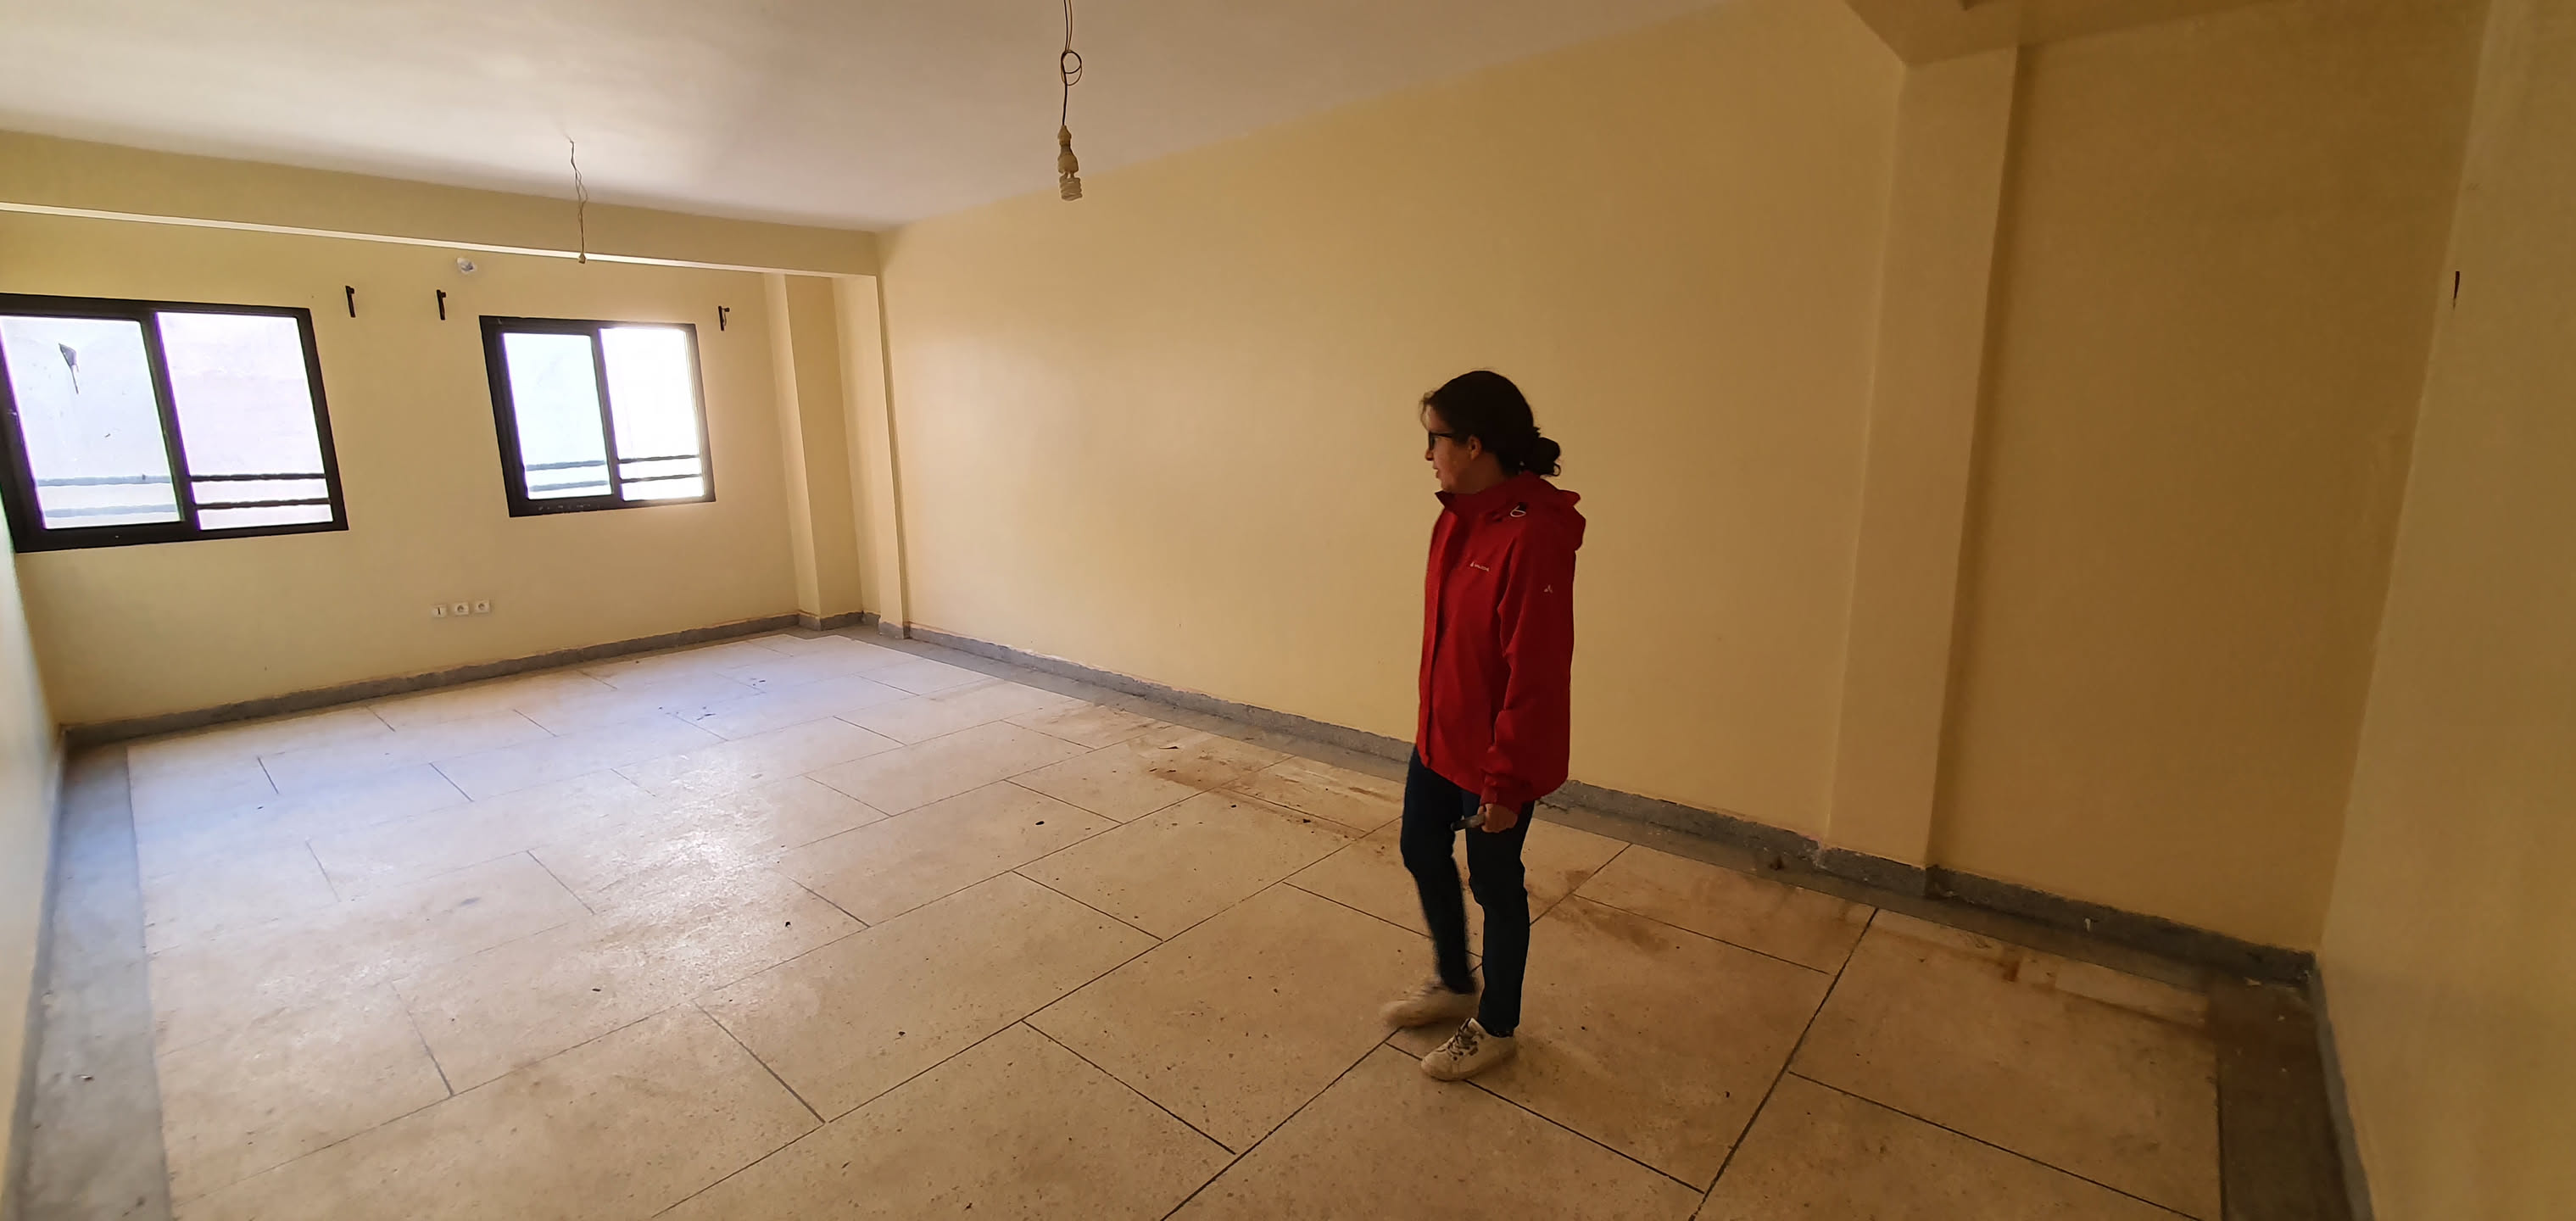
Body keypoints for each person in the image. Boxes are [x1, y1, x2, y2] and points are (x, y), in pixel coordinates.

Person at [1381, 369, 1584, 1081]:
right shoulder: (1456, 516)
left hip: (1498, 757)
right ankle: (1454, 981)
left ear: (1473, 444)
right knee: (1419, 848)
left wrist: (1503, 781)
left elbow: (1536, 671)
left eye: (1435, 439)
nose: (1427, 454)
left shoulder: (1533, 537)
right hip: (1440, 736)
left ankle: (1497, 1025)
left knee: (1495, 887)